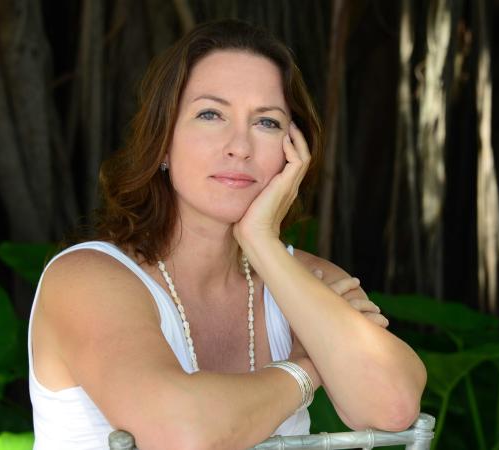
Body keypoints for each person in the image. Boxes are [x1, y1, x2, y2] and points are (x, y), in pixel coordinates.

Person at [27, 19, 426, 450]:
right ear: (162, 142)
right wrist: (310, 367)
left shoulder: (300, 277)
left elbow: (393, 406)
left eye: (268, 123)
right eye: (211, 114)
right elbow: (182, 434)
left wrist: (261, 241)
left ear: (293, 152)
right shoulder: (87, 279)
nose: (240, 146)